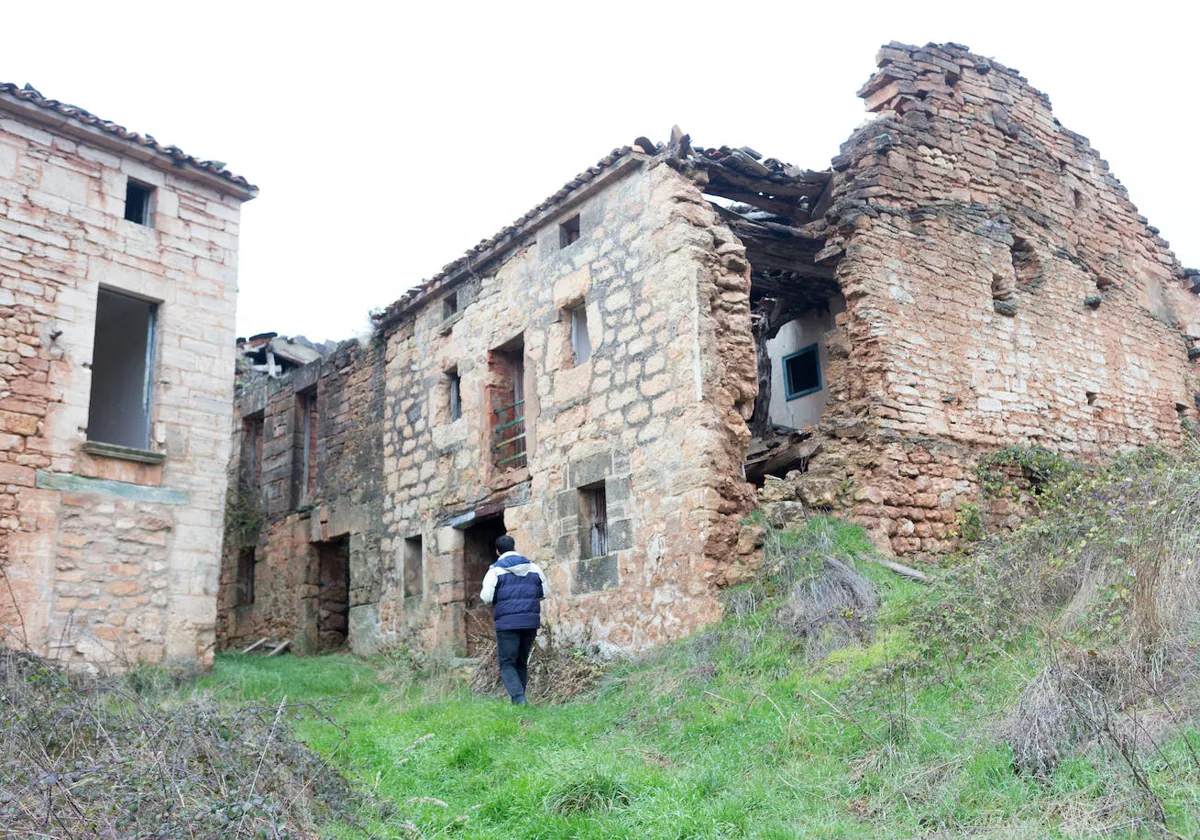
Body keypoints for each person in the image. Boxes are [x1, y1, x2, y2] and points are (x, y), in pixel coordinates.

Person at [479, 534, 548, 705]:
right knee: (521, 662)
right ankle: (520, 701)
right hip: (530, 621)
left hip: (507, 623)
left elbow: (487, 597)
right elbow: (543, 593)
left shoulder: (495, 571)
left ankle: (519, 699)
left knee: (507, 662)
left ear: (497, 552)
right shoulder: (534, 568)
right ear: (515, 548)